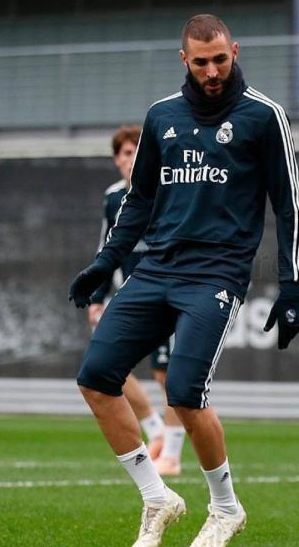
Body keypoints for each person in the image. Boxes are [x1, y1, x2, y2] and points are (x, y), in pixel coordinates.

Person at [68, 13, 299, 547]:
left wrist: (293, 287)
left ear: (235, 51)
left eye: (221, 58)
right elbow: (140, 201)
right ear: (185, 60)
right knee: (95, 377)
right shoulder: (161, 117)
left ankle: (225, 509)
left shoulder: (264, 116)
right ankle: (157, 498)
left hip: (217, 274)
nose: (213, 70)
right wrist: (106, 262)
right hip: (156, 269)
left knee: (184, 393)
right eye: (201, 61)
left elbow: (289, 206)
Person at [86, 125, 186, 476]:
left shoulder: (170, 188)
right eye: (126, 154)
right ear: (116, 160)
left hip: (171, 291)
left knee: (169, 374)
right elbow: (106, 245)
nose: (132, 160)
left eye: (137, 153)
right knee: (106, 365)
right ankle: (156, 433)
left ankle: (171, 454)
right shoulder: (113, 197)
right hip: (130, 294)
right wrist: (97, 295)